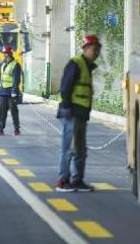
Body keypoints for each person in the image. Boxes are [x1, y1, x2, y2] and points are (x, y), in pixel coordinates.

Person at [54, 34, 101, 192]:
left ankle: (77, 180)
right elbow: (65, 87)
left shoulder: (86, 66)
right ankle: (63, 180)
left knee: (80, 149)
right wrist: (67, 109)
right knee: (69, 148)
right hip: (71, 113)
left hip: (80, 114)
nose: (97, 53)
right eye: (95, 49)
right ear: (86, 49)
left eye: (98, 50)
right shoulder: (76, 63)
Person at [0, 44, 21, 136]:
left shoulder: (16, 65)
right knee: (1, 112)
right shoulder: (3, 64)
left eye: (6, 54)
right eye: (4, 54)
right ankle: (1, 129)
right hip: (3, 92)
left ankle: (16, 129)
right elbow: (1, 77)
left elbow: (16, 79)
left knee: (13, 111)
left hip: (11, 93)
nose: (4, 56)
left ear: (10, 54)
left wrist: (15, 91)